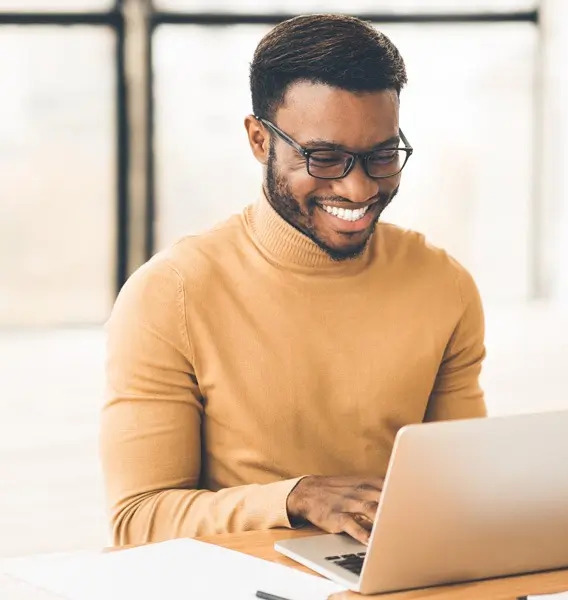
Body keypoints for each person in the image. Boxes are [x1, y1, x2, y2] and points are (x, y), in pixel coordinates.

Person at [98, 14, 487, 548]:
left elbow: (466, 483)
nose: (357, 188)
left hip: (397, 574)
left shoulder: (444, 285)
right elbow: (138, 520)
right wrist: (296, 497)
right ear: (260, 140)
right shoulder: (170, 294)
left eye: (381, 156)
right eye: (324, 158)